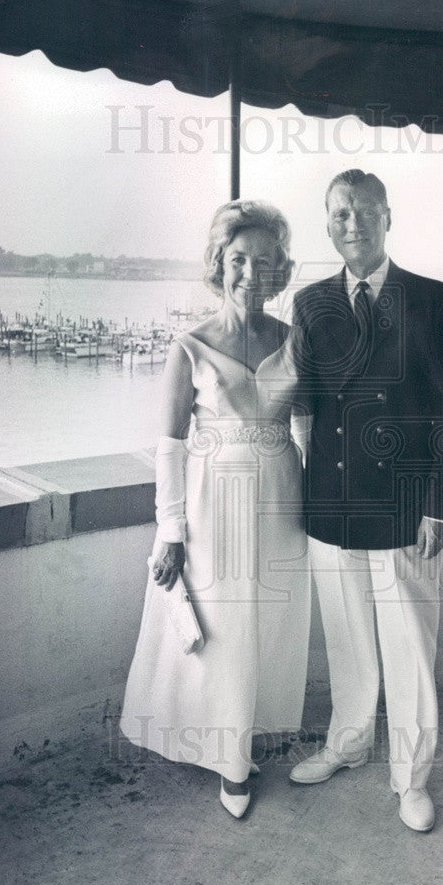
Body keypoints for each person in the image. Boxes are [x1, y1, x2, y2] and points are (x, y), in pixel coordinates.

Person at [288, 169, 443, 832]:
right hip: (331, 502)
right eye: (339, 214)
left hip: (404, 506)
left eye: (364, 212)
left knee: (409, 648)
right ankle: (349, 743)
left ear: (387, 217)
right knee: (346, 638)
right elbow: (304, 408)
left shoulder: (431, 300)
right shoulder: (309, 304)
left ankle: (411, 779)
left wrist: (440, 506)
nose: (351, 223)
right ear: (327, 223)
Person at [119, 201, 310, 819]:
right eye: (238, 260)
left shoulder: (294, 343)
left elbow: (313, 428)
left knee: (267, 625)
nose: (250, 274)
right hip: (212, 505)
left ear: (280, 272)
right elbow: (170, 447)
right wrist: (170, 531)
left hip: (282, 499)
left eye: (264, 262)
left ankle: (249, 736)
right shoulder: (191, 347)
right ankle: (230, 764)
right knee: (223, 630)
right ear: (219, 266)